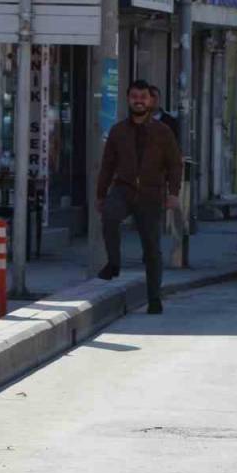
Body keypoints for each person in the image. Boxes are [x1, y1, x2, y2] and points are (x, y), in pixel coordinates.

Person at [96, 80, 183, 314]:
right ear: (128, 99)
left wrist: (173, 193)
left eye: (143, 97)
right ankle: (114, 263)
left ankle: (154, 298)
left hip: (151, 193)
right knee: (110, 216)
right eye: (134, 96)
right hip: (123, 189)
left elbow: (175, 165)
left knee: (152, 248)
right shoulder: (118, 131)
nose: (139, 101)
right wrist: (101, 195)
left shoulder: (162, 132)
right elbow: (107, 165)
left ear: (150, 100)